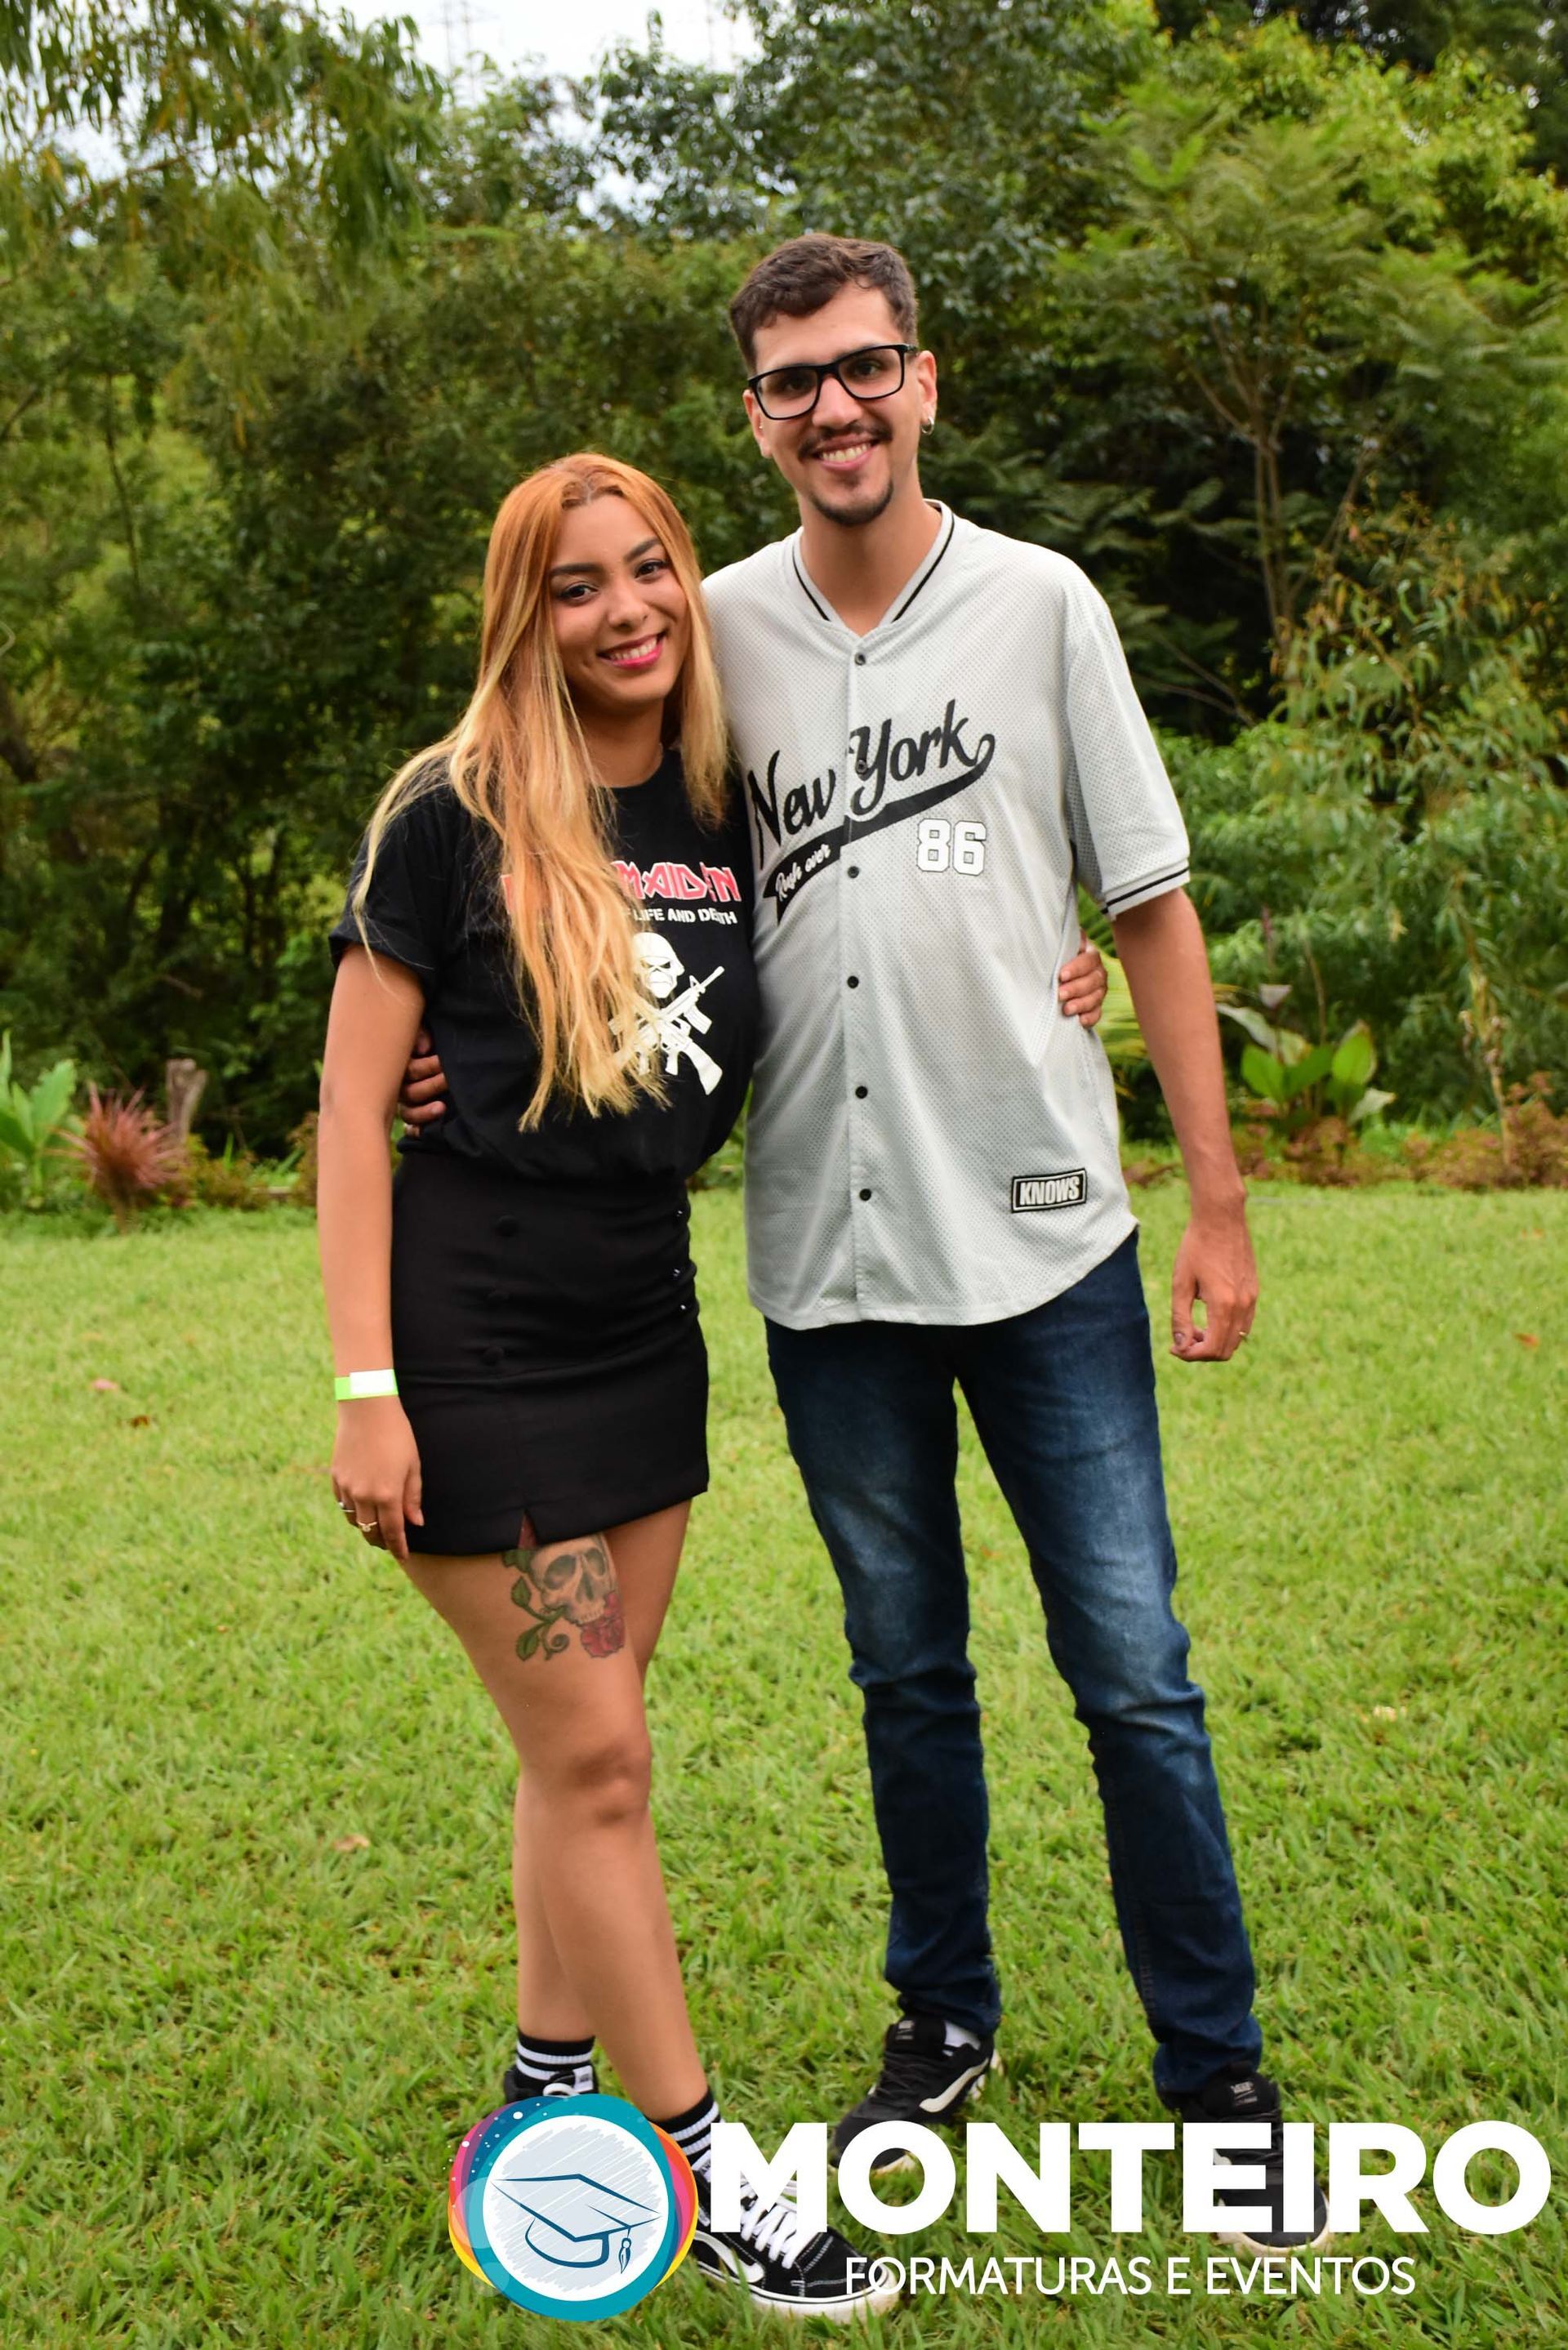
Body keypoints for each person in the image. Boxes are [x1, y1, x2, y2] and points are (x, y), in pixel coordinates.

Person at [405, 235, 1334, 2256]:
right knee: (905, 1666)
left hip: (1047, 1234)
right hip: (828, 1259)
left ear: (926, 379)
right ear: (754, 416)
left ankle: (1219, 2079)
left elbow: (1148, 901)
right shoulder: (706, 628)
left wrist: (1218, 1195)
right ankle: (942, 2020)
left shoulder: (1043, 604)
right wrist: (442, 1046)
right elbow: (548, 829)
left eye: (865, 366)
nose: (835, 405)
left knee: (1135, 1670)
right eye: (793, 380)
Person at [318, 453, 943, 2321]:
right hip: (476, 1337)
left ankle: (546, 2080)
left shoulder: (720, 795)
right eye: (577, 583)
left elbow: (881, 938)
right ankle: (703, 2159)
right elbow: (350, 1104)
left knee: (575, 1747)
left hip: (643, 1325)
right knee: (599, 1755)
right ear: (528, 614)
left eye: (650, 566)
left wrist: (1058, 973)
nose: (626, 609)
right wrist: (367, 1383)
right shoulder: (448, 812)